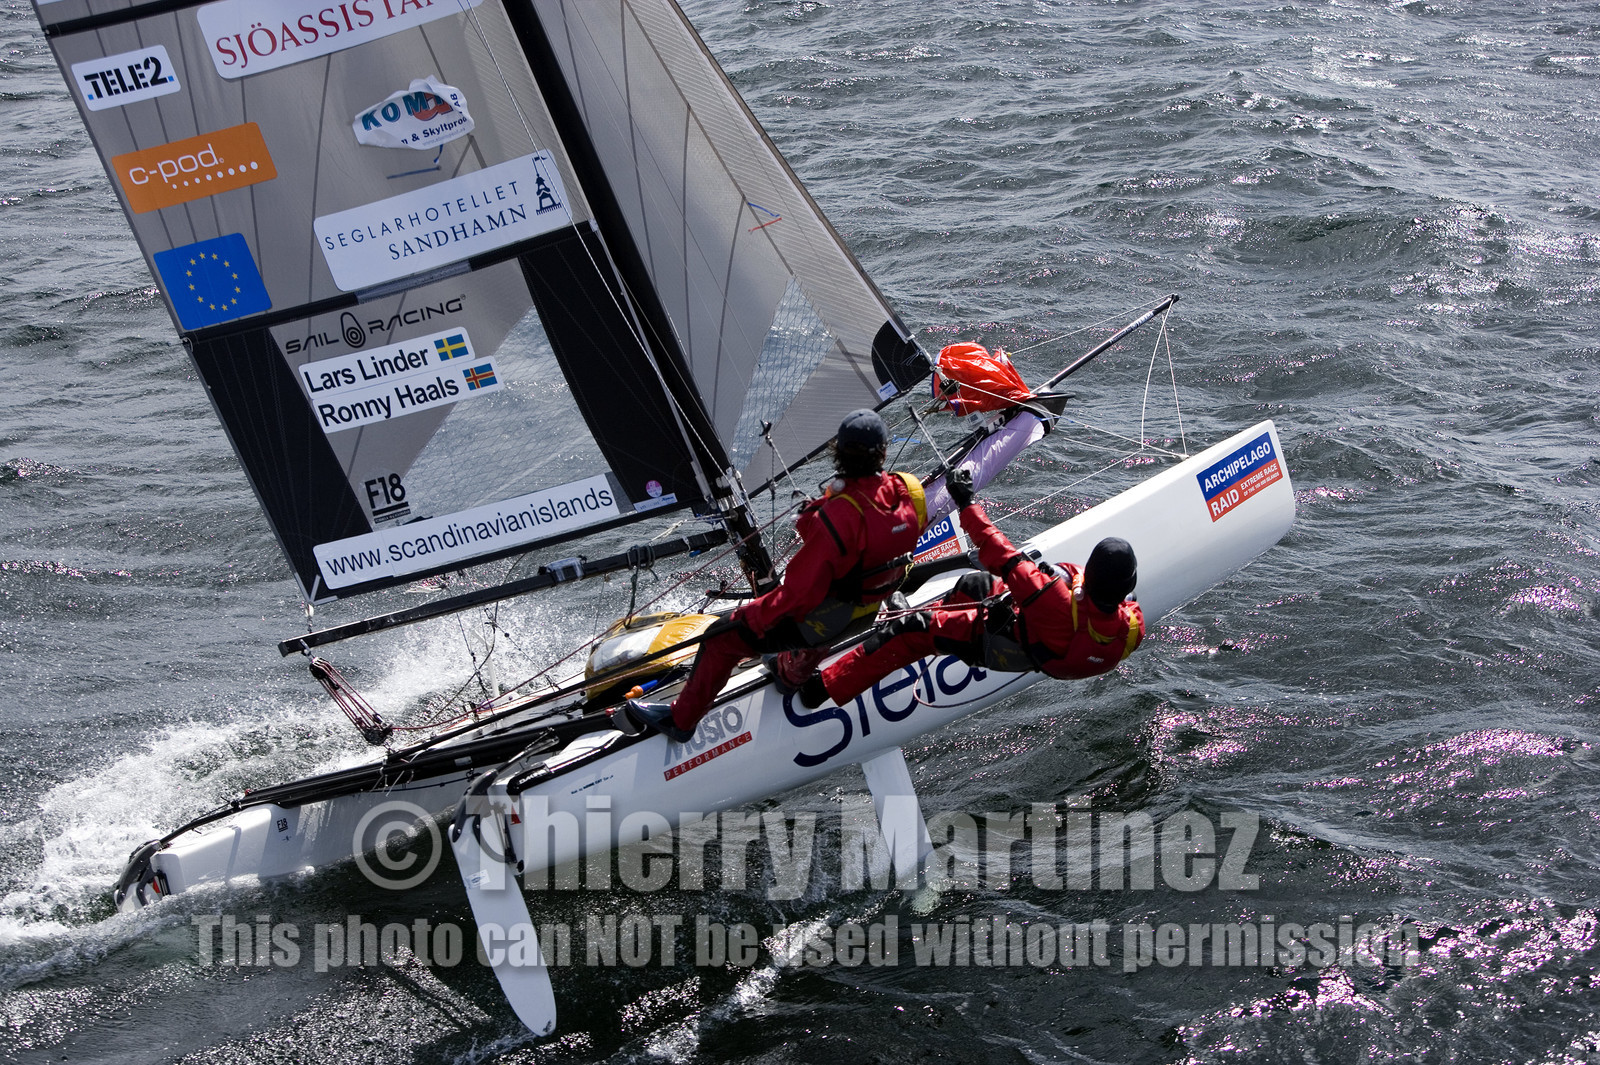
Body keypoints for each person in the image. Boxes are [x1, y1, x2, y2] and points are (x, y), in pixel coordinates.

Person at [624, 409, 929, 742]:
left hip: (828, 621)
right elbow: (875, 538)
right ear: (884, 451)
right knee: (809, 603)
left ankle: (680, 722)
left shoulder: (839, 515)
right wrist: (824, 512)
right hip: (868, 611)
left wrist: (746, 618)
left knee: (719, 636)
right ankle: (790, 673)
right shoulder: (908, 489)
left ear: (837, 452)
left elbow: (797, 598)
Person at [799, 467, 1143, 708]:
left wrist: (965, 501)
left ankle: (821, 688)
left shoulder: (1049, 596)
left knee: (912, 631)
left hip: (998, 643)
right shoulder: (1131, 627)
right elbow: (1102, 606)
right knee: (973, 584)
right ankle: (928, 615)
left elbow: (998, 551)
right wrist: (1070, 581)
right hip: (1038, 649)